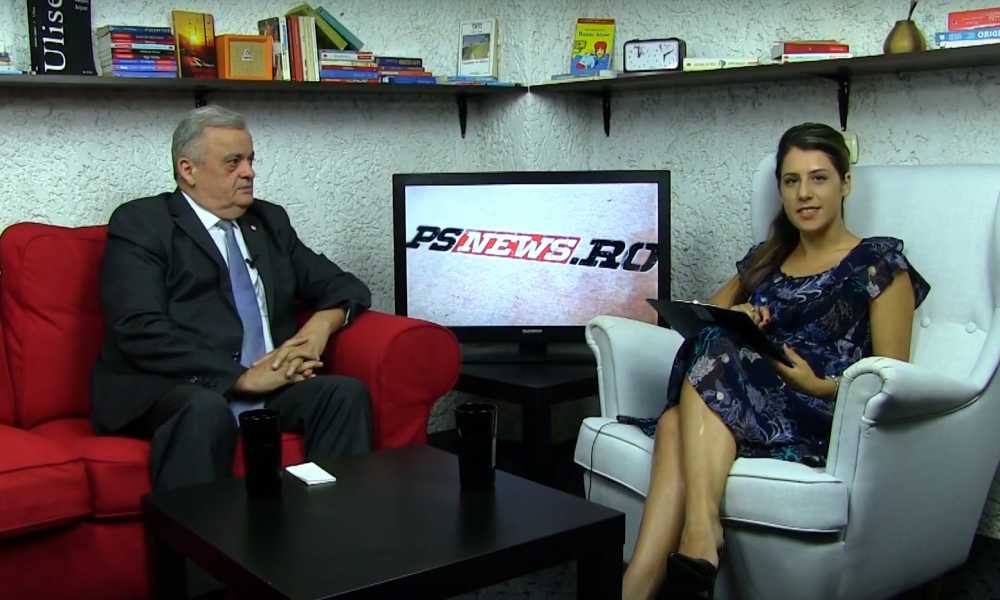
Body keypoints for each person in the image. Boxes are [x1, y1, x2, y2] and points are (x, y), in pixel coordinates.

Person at [619, 122, 930, 599]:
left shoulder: (878, 263)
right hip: (743, 403)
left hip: (820, 411)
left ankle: (693, 542)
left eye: (819, 178)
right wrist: (741, 312)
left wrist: (817, 384)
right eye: (791, 181)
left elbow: (892, 379)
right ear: (780, 190)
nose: (804, 193)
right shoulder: (766, 258)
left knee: (681, 414)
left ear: (845, 183)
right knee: (679, 415)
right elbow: (703, 320)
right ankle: (654, 575)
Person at [91, 105, 373, 494]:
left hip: (272, 383)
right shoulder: (144, 223)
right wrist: (238, 377)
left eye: (251, 160)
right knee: (204, 409)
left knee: (343, 394)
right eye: (233, 162)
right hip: (178, 386)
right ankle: (193, 534)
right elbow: (138, 326)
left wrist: (318, 329)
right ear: (188, 170)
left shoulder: (268, 221)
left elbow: (345, 286)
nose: (249, 172)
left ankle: (331, 524)